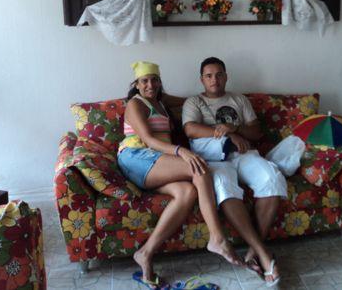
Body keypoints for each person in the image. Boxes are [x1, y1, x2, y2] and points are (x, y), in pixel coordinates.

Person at [117, 61, 242, 290]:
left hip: (158, 162)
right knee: (199, 167)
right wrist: (181, 151)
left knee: (187, 192)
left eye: (154, 80)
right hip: (136, 157)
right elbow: (149, 140)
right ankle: (217, 238)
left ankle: (145, 253)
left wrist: (220, 115)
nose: (150, 85)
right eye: (144, 81)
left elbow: (190, 101)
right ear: (136, 84)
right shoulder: (136, 104)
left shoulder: (161, 101)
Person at [183, 57, 285, 286]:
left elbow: (256, 132)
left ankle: (253, 251)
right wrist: (229, 135)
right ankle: (264, 254)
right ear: (201, 79)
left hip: (243, 154)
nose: (214, 79)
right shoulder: (194, 102)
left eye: (219, 74)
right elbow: (190, 129)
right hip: (213, 158)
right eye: (209, 76)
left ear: (226, 76)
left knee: (272, 178)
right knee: (225, 187)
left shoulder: (239, 99)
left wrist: (235, 127)